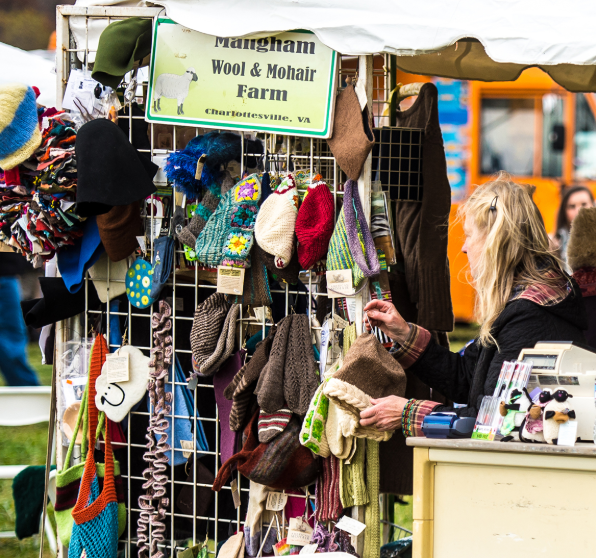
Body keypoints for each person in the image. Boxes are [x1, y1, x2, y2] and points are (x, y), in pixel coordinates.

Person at [360, 172, 587, 436]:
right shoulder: (523, 302)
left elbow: (494, 421)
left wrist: (408, 413)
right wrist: (405, 334)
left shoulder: (529, 314)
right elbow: (468, 379)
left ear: (495, 242)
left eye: (469, 236)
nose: (465, 248)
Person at [0, 251, 40, 386]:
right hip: (6, 275)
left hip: (6, 273)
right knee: (11, 339)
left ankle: (27, 395)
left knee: (12, 342)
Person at [553, 185, 595, 272]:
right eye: (572, 206)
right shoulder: (555, 243)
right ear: (564, 211)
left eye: (584, 204)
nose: (579, 210)